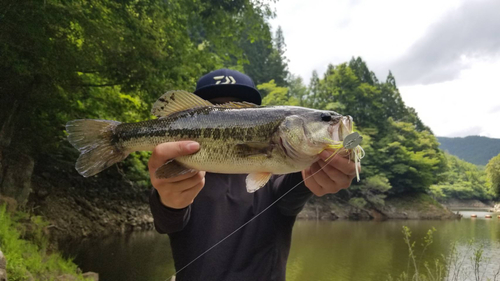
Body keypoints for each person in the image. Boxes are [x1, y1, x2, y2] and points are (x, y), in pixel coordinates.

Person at [149, 69, 357, 281]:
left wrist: (320, 171)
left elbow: (294, 189)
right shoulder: (179, 175)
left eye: (238, 109)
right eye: (215, 109)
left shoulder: (278, 174)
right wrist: (167, 201)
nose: (228, 120)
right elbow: (167, 222)